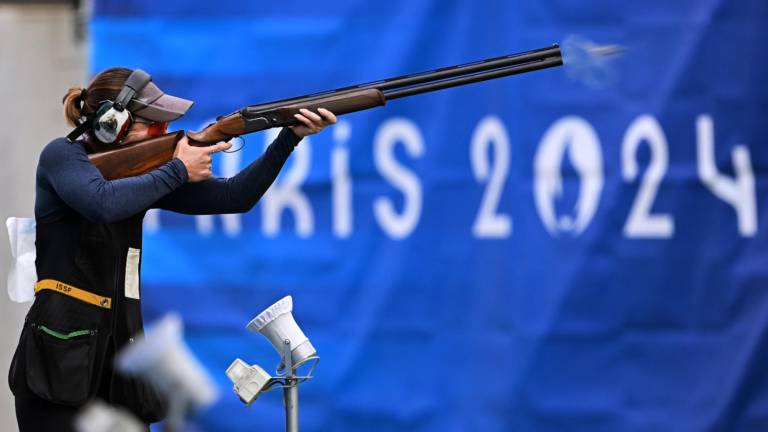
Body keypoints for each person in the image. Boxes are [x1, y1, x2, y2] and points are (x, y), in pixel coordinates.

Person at [7, 67, 337, 431]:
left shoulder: (143, 175)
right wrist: (179, 168)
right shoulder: (62, 156)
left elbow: (235, 196)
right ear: (112, 122)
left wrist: (288, 137)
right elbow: (100, 203)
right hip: (59, 370)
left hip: (119, 372)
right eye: (154, 124)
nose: (163, 133)